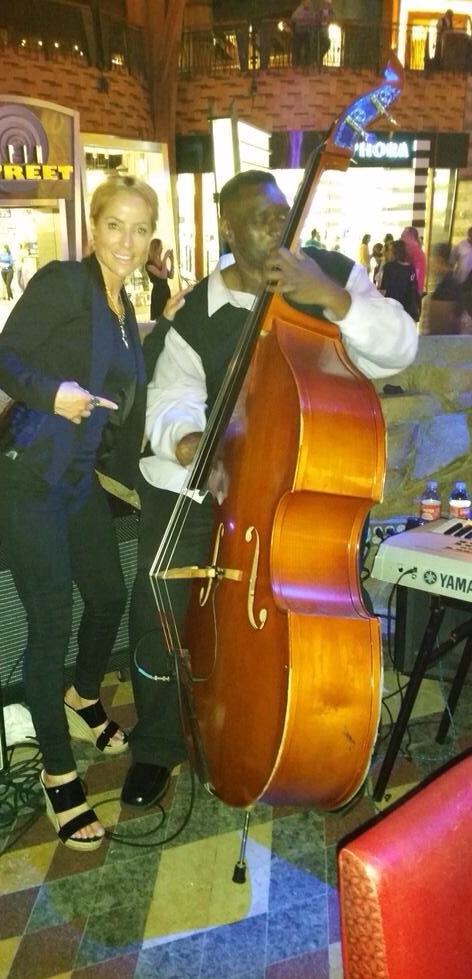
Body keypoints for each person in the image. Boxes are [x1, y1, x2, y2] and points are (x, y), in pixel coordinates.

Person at [120, 169, 419, 810]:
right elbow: (171, 398)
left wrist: (334, 300)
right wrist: (189, 444)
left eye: (284, 213)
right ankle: (159, 744)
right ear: (228, 228)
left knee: (314, 604)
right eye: (262, 219)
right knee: (160, 589)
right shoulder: (198, 312)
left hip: (304, 486)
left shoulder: (331, 273)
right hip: (215, 485)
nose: (280, 227)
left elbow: (399, 348)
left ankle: (316, 732)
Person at [0, 175, 157, 852]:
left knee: (108, 595)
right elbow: (1, 358)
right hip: (27, 477)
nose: (127, 241)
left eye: (140, 229)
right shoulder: (64, 282)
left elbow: (122, 407)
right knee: (51, 620)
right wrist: (51, 392)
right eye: (115, 225)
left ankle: (82, 696)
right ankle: (58, 773)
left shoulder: (125, 307)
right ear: (93, 227)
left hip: (79, 480)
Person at [380, 238, 421, 322]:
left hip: (392, 308)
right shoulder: (411, 268)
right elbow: (414, 288)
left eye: (390, 250)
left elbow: (383, 290)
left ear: (394, 252)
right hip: (407, 309)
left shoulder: (389, 267)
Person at [427, 241, 462, 334]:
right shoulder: (452, 282)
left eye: (433, 259)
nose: (431, 264)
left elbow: (441, 324)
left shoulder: (447, 287)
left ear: (440, 260)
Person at [146, 237, 174, 320]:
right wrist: (165, 259)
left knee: (167, 317)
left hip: (165, 291)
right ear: (156, 248)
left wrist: (172, 262)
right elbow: (163, 276)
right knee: (159, 317)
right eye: (160, 247)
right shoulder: (149, 264)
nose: (162, 248)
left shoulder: (160, 262)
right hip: (158, 293)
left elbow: (171, 276)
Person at [401, 225, 426, 297]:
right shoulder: (412, 252)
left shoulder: (416, 253)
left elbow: (417, 275)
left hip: (412, 293)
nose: (401, 239)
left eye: (403, 236)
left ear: (411, 237)